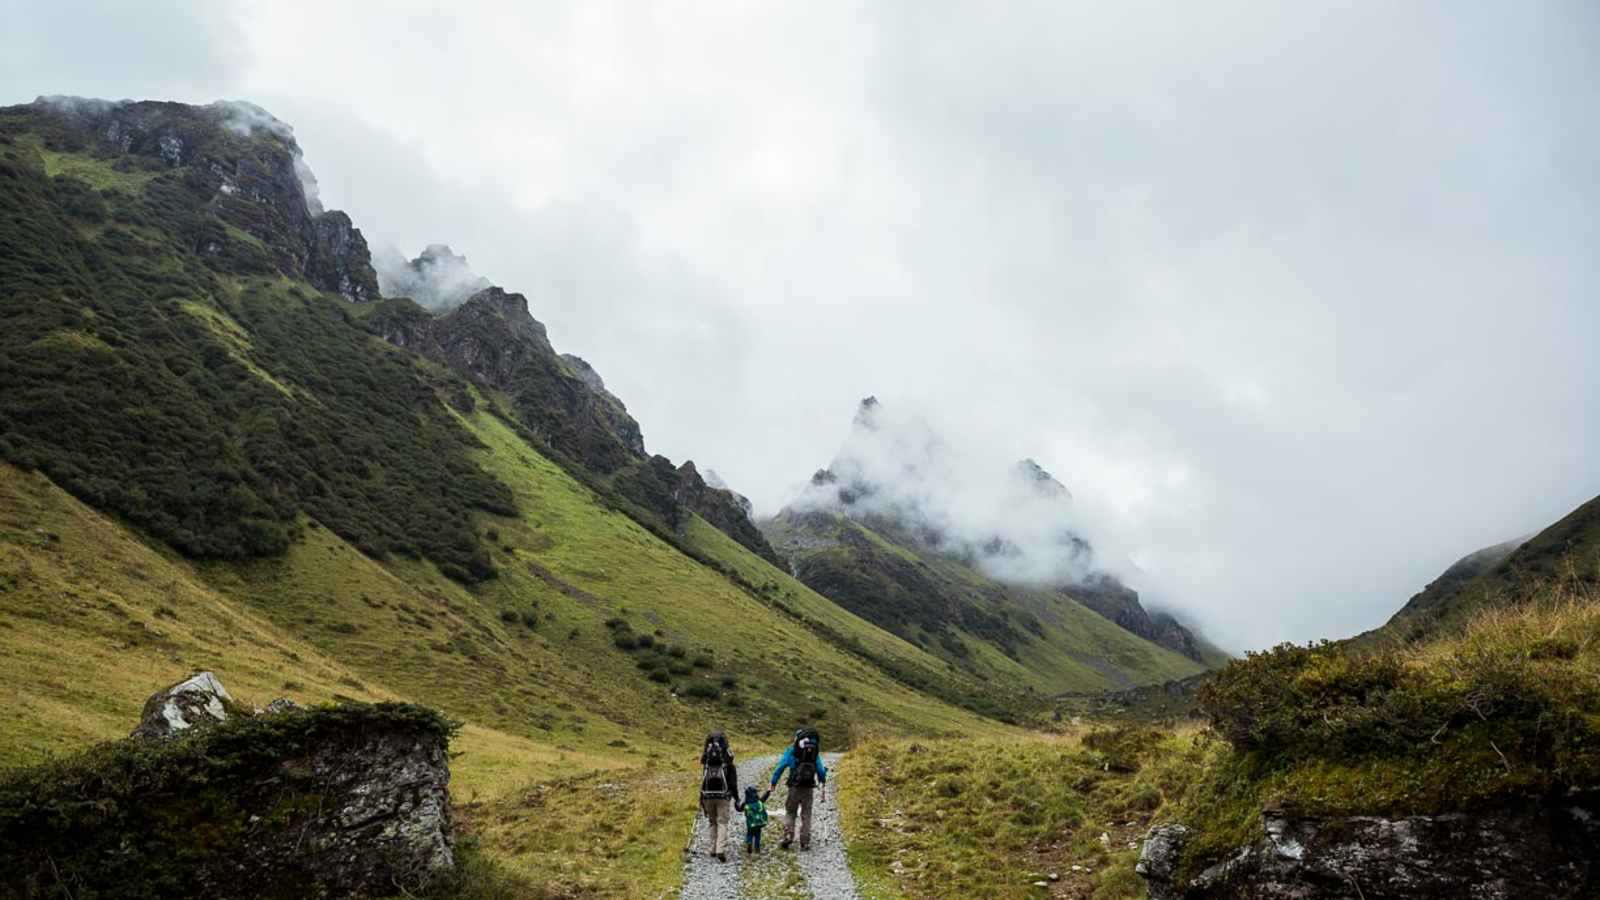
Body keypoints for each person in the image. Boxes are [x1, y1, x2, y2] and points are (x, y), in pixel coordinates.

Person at [769, 727, 827, 850]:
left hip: (793, 787)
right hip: (808, 788)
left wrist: (773, 782)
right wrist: (822, 781)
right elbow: (821, 770)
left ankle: (788, 837)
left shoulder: (791, 751)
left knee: (790, 812)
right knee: (806, 814)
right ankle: (805, 842)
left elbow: (781, 767)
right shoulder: (814, 753)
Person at [698, 730, 738, 862]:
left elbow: (703, 780)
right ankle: (721, 849)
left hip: (708, 796)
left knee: (712, 822)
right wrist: (736, 798)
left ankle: (712, 849)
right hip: (723, 796)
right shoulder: (728, 761)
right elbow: (733, 782)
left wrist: (701, 799)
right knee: (722, 822)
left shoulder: (707, 761)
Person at [735, 784, 771, 854]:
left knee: (749, 834)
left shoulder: (745, 803)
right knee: (758, 835)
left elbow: (739, 809)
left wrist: (736, 803)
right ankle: (757, 848)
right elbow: (764, 798)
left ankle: (749, 842)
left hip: (750, 823)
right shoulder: (759, 801)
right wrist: (768, 792)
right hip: (759, 822)